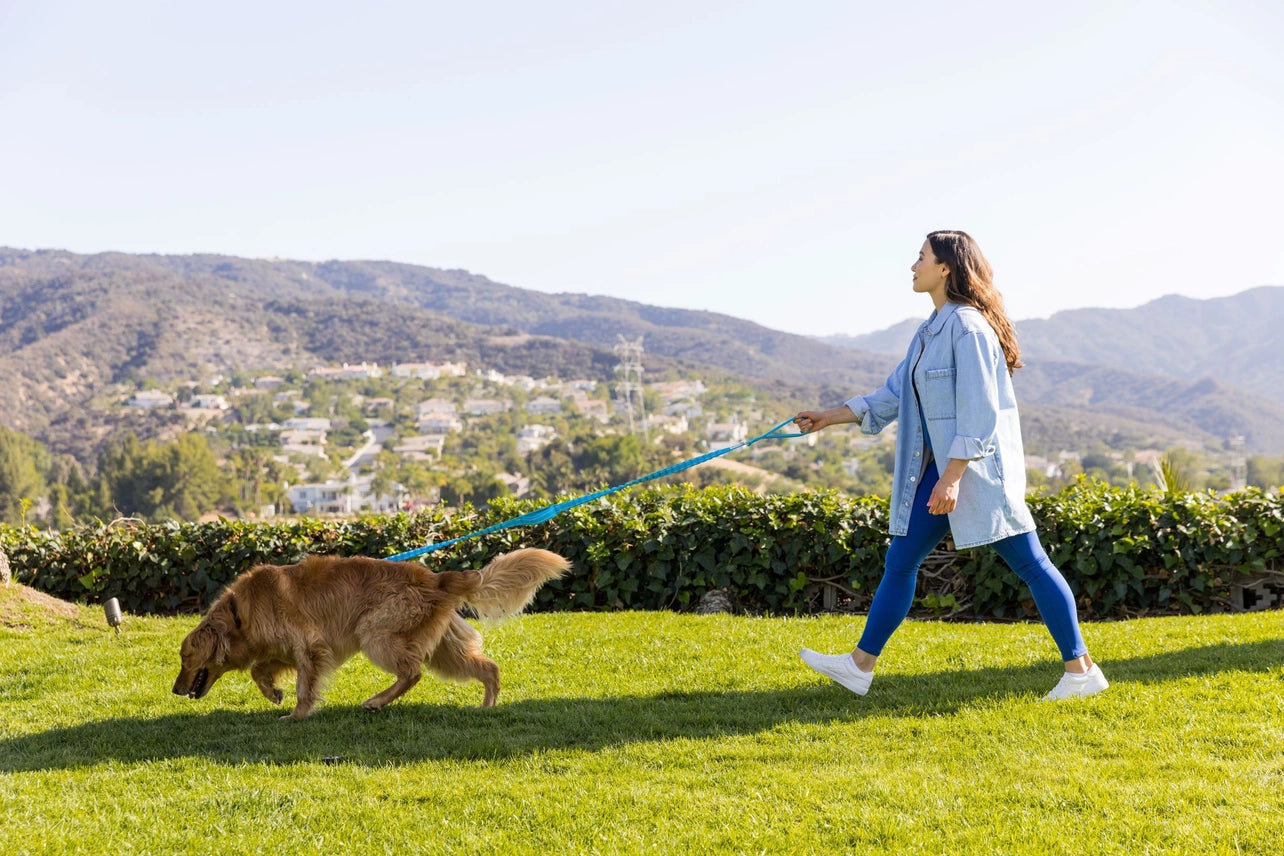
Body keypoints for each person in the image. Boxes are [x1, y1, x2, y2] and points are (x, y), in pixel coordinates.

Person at [794, 230, 1108, 701]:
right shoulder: (928, 332)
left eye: (920, 257)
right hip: (939, 473)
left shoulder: (969, 329)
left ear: (945, 268)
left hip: (975, 474)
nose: (912, 266)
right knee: (900, 561)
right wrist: (828, 417)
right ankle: (860, 667)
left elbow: (980, 413)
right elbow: (893, 395)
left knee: (1031, 564)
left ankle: (1081, 670)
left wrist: (953, 477)